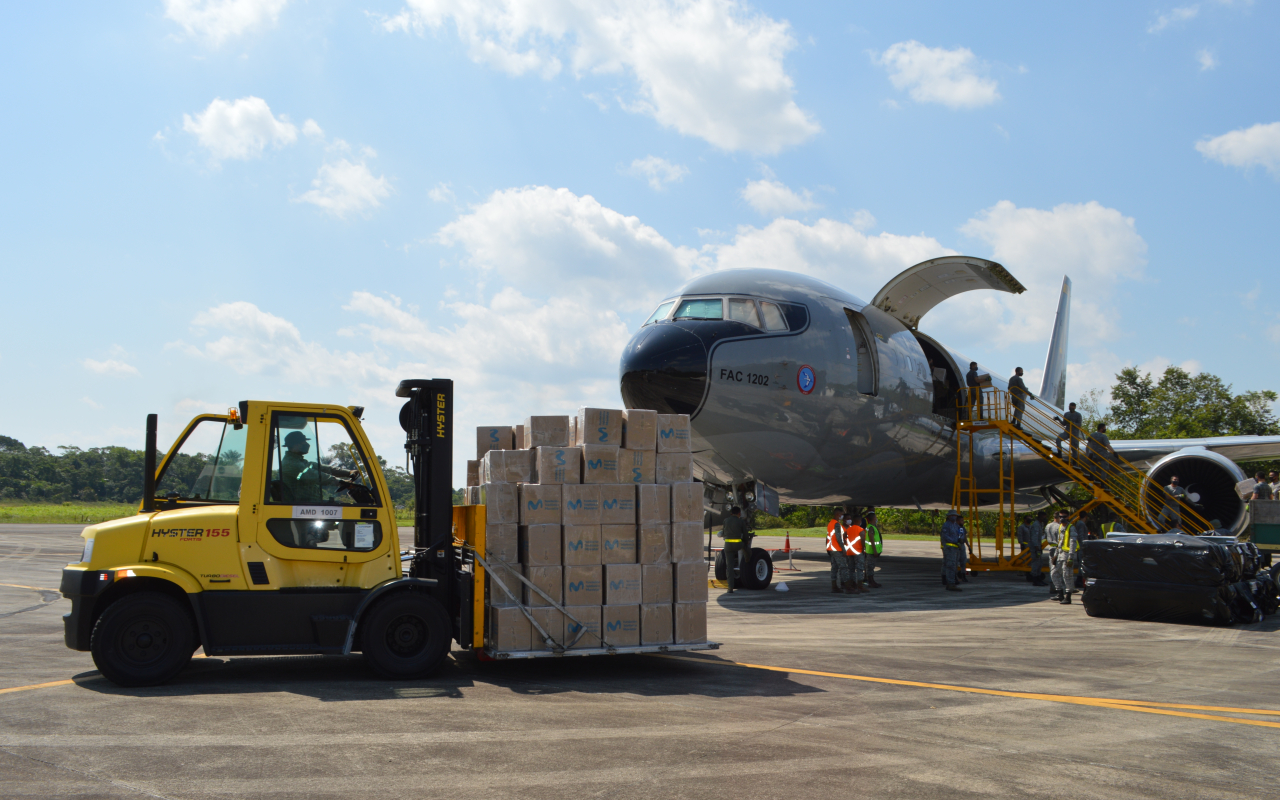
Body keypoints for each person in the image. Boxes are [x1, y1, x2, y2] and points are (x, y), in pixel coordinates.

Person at [279, 430, 356, 503]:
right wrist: (340, 482)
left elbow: (322, 468)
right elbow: (316, 475)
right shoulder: (290, 464)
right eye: (304, 442)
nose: (307, 444)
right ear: (296, 445)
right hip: (303, 504)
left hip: (309, 502)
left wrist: (348, 472)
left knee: (340, 504)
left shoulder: (299, 461)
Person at [720, 506, 750, 593]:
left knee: (729, 566)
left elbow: (724, 532)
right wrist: (746, 541)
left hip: (728, 545)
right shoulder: (740, 521)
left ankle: (730, 587)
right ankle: (747, 560)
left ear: (731, 513)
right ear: (739, 513)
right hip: (738, 544)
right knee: (747, 549)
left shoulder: (726, 520)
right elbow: (745, 534)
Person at [1044, 510, 1068, 601]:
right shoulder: (1059, 526)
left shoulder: (1048, 526)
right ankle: (1060, 588)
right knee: (1060, 569)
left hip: (1051, 547)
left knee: (1052, 568)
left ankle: (1053, 587)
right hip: (1058, 548)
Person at [843, 513, 869, 594]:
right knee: (860, 569)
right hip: (858, 551)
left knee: (851, 569)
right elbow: (862, 540)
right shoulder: (861, 530)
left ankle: (852, 584)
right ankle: (860, 586)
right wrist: (863, 548)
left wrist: (845, 542)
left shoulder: (849, 529)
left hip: (849, 552)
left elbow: (844, 535)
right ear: (860, 521)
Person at [826, 515, 851, 594]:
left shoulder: (831, 523)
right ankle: (848, 587)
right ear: (838, 514)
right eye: (841, 514)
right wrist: (843, 549)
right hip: (837, 549)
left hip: (832, 549)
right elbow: (838, 538)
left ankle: (834, 587)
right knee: (843, 567)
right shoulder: (836, 524)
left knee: (834, 568)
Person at [940, 511, 965, 591]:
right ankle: (950, 583)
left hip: (955, 548)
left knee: (954, 565)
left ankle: (952, 582)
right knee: (950, 565)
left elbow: (960, 533)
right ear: (949, 516)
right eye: (952, 515)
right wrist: (955, 540)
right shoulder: (946, 525)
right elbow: (945, 536)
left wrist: (960, 539)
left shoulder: (955, 525)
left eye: (955, 515)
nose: (954, 517)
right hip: (949, 548)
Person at [864, 511, 884, 588]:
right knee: (870, 567)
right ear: (873, 519)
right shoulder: (871, 527)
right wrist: (875, 550)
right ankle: (870, 582)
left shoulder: (872, 526)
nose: (876, 519)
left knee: (871, 567)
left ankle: (872, 581)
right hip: (871, 551)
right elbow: (871, 539)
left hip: (872, 550)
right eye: (875, 517)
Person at [1028, 511, 1048, 586]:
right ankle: (1035, 578)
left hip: (1038, 547)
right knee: (1036, 563)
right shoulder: (1036, 525)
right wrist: (1037, 548)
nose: (1045, 518)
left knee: (1040, 563)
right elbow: (1034, 538)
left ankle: (1038, 578)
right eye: (1043, 517)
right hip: (1035, 548)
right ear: (1040, 516)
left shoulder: (1040, 524)